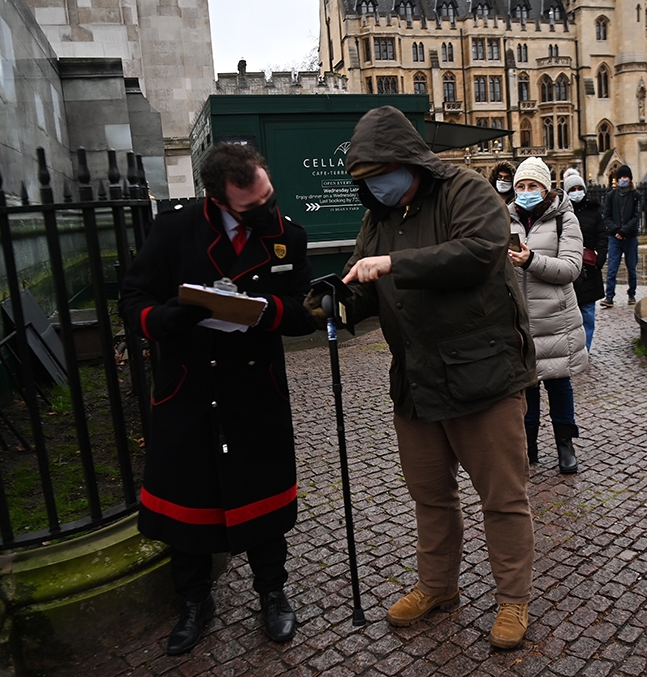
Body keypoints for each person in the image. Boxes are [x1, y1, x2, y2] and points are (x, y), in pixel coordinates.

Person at [311, 106, 537, 650]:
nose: (375, 188)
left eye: (379, 176)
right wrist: (333, 300)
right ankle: (438, 587)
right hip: (415, 378)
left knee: (502, 497)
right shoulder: (378, 218)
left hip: (483, 373)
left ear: (407, 162)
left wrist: (393, 265)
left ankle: (513, 600)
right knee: (430, 495)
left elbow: (481, 253)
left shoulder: (466, 190)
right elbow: (363, 285)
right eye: (364, 180)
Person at [119, 143, 316, 655]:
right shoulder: (174, 230)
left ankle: (272, 593)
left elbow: (301, 312)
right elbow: (133, 298)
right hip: (189, 389)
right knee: (189, 502)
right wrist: (164, 320)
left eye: (269, 197)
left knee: (262, 499)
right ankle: (194, 601)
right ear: (219, 200)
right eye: (253, 208)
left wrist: (261, 309)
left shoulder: (287, 235)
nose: (267, 212)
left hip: (254, 390)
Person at [506, 157, 589, 473]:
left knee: (559, 385)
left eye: (533, 186)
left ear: (545, 187)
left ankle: (565, 445)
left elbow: (570, 268)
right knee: (527, 389)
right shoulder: (506, 218)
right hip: (521, 321)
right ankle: (529, 447)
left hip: (555, 318)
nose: (526, 191)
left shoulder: (563, 219)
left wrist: (530, 260)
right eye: (521, 186)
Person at [564, 171, 607, 351]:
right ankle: (573, 348)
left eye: (579, 188)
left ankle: (585, 349)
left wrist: (599, 260)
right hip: (569, 269)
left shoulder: (594, 211)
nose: (576, 192)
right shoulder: (562, 212)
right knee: (569, 315)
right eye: (572, 189)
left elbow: (602, 237)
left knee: (588, 312)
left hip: (589, 268)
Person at [601, 165, 641, 308]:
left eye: (626, 177)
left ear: (630, 179)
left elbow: (636, 216)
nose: (623, 179)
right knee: (612, 268)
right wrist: (617, 230)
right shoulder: (611, 196)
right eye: (621, 177)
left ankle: (631, 294)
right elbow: (606, 216)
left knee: (632, 267)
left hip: (630, 237)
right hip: (614, 238)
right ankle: (609, 296)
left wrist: (624, 231)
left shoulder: (636, 196)